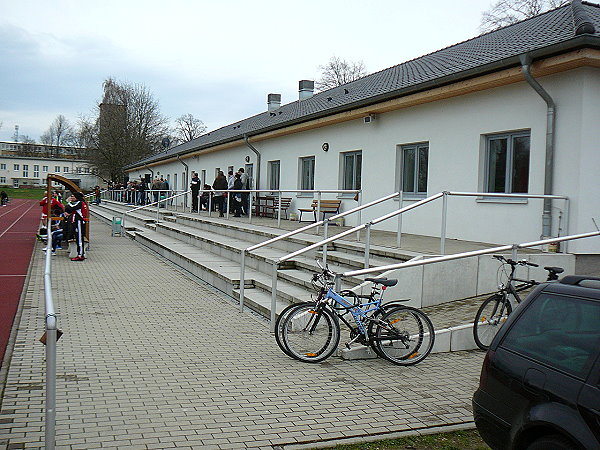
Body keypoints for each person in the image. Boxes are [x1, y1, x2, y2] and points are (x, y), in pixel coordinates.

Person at [65, 192, 87, 261]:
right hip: (76, 222)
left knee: (79, 239)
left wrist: (68, 202)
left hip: (79, 222)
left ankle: (80, 255)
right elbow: (67, 210)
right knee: (77, 238)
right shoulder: (79, 203)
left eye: (73, 197)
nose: (71, 198)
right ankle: (80, 253)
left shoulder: (80, 203)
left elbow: (70, 208)